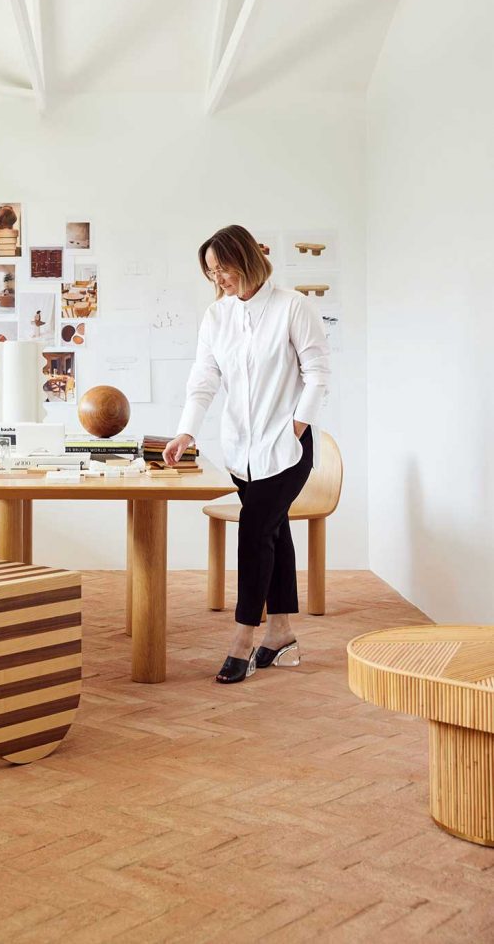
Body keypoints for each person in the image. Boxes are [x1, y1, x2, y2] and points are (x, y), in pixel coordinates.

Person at [163, 225, 330, 685]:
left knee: (255, 534)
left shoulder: (293, 307)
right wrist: (185, 434)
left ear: (247, 259)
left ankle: (242, 640)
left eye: (224, 268)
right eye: (211, 272)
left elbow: (317, 374)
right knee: (273, 531)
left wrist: (296, 427)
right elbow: (204, 380)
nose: (218, 279)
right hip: (241, 449)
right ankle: (280, 634)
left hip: (288, 448)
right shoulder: (216, 317)